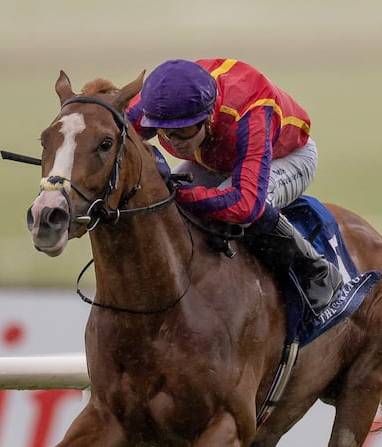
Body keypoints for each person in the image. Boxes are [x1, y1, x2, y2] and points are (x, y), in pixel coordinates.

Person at [126, 58, 343, 314]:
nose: (174, 141)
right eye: (162, 132)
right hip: (214, 158)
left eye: (182, 131)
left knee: (233, 214)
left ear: (207, 118)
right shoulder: (157, 101)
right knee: (161, 203)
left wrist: (181, 193)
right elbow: (113, 129)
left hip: (285, 156)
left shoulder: (250, 109)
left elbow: (246, 204)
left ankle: (316, 270)